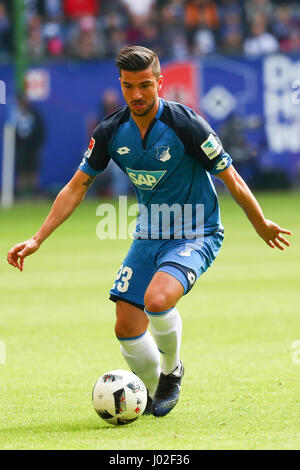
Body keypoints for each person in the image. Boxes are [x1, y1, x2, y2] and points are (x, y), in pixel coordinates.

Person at [7, 46, 291, 418]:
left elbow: (231, 177)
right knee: (126, 326)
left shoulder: (186, 125)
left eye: (145, 85)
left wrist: (260, 223)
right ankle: (150, 390)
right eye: (129, 87)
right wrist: (38, 237)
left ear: (160, 82)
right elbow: (77, 186)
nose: (137, 95)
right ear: (120, 86)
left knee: (158, 300)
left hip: (197, 231)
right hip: (149, 234)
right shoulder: (111, 131)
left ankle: (172, 371)